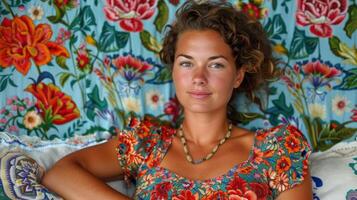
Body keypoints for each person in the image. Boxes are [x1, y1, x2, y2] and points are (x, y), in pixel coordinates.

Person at [42, 1, 313, 199]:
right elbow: (60, 173)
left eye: (216, 65)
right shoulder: (145, 143)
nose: (198, 77)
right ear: (173, 70)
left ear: (238, 75)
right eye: (186, 63)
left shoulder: (276, 149)